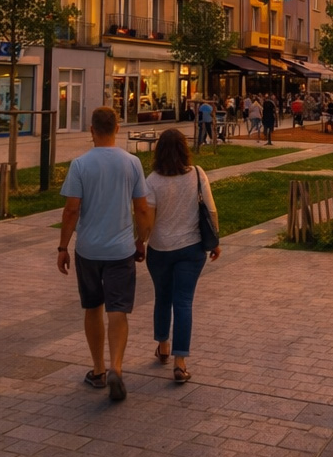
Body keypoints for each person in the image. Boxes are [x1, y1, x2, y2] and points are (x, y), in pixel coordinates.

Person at [56, 107, 155, 403]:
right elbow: (141, 207)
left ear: (91, 130)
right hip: (121, 250)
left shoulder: (80, 164)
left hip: (88, 249)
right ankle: (117, 368)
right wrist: (142, 240)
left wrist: (62, 247)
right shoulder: (132, 163)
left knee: (93, 307)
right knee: (118, 310)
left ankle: (98, 370)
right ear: (118, 127)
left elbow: (72, 209)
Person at [144, 128, 220, 384]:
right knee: (184, 302)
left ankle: (163, 346)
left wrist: (140, 242)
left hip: (159, 249)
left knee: (162, 298)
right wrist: (215, 242)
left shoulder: (152, 180)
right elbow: (210, 210)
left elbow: (147, 220)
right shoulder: (197, 174)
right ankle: (180, 362)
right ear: (184, 149)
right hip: (191, 248)